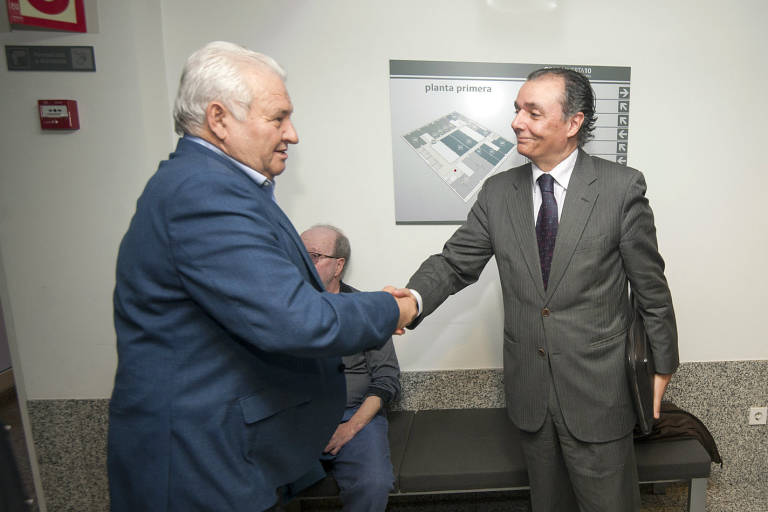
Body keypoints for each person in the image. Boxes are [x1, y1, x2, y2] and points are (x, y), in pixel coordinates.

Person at [108, 41, 416, 512]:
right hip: (199, 460)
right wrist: (395, 306)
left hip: (228, 449)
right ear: (219, 118)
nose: (292, 134)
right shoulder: (203, 193)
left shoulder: (221, 187)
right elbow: (295, 317)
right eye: (278, 118)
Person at [396, 68, 679, 511]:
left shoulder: (620, 189)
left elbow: (651, 289)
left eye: (533, 111)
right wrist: (410, 301)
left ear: (572, 124)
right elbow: (454, 263)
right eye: (516, 110)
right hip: (531, 395)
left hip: (599, 394)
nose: (517, 122)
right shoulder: (497, 192)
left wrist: (662, 367)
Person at [300, 224, 400, 512]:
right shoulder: (284, 310)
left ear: (338, 265)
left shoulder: (366, 310)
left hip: (354, 414)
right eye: (298, 255)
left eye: (314, 255)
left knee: (374, 483)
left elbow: (387, 379)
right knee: (256, 482)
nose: (304, 263)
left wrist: (349, 429)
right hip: (298, 417)